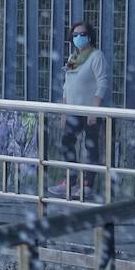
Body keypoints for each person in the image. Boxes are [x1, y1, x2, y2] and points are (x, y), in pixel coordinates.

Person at [48, 21, 110, 202]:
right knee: (67, 142)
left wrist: (94, 109)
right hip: (73, 110)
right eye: (75, 35)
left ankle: (88, 184)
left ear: (90, 36)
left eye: (82, 34)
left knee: (91, 146)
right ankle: (70, 179)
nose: (78, 38)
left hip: (89, 110)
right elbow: (67, 85)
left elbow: (102, 82)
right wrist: (64, 111)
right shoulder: (73, 58)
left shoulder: (96, 56)